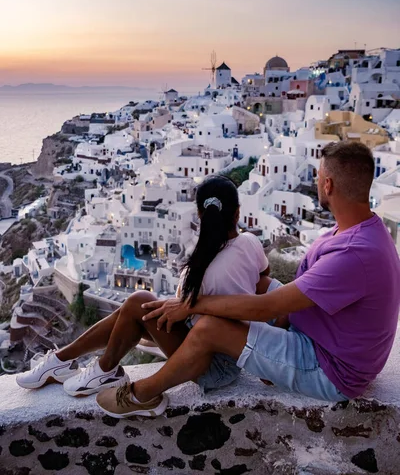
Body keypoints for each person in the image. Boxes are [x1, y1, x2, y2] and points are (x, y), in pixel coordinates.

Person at [95, 141, 400, 419]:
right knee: (262, 284)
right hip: (325, 338)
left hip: (330, 369)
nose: (317, 182)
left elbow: (264, 309)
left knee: (209, 327)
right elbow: (273, 293)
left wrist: (191, 304)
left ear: (328, 184)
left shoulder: (354, 253)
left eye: (320, 177)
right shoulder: (353, 232)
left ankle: (141, 395)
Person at [17, 175, 270, 413]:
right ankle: (68, 361)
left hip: (211, 365)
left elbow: (182, 311)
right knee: (133, 308)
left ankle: (90, 365)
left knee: (138, 303)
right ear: (237, 214)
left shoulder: (200, 269)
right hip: (228, 354)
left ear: (200, 216)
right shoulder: (251, 243)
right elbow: (263, 277)